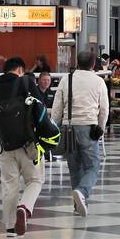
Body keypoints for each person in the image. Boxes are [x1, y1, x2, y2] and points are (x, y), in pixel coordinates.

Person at [0, 56, 46, 238]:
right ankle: (24, 208)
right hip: (28, 142)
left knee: (9, 184)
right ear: (20, 70)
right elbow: (40, 111)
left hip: (4, 143)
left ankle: (10, 227)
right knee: (35, 180)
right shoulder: (26, 83)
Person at [49, 50, 110, 216]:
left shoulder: (66, 79)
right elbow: (104, 109)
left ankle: (78, 206)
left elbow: (57, 108)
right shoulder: (98, 81)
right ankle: (82, 192)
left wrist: (55, 127)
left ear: (77, 62)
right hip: (89, 127)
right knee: (92, 166)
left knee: (74, 167)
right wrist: (101, 128)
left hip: (69, 127)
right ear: (93, 64)